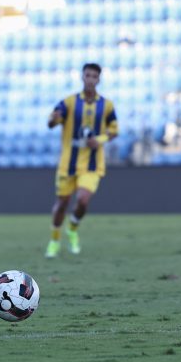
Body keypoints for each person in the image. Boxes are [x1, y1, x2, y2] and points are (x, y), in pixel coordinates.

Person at [45, 63, 118, 258]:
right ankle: (54, 240)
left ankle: (72, 229)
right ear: (82, 77)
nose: (90, 79)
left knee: (83, 200)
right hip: (67, 164)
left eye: (94, 76)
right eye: (88, 75)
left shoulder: (107, 105)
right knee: (62, 203)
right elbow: (51, 123)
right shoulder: (68, 102)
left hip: (92, 165)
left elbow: (114, 131)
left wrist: (99, 140)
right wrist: (53, 119)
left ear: (98, 79)